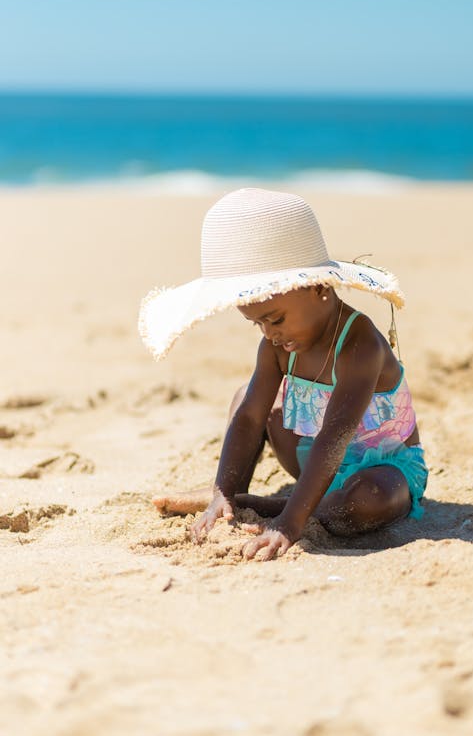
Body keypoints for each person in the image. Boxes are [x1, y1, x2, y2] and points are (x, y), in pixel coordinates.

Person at [140, 188, 428, 561]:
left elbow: (334, 438)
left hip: (381, 467)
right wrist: (223, 493)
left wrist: (291, 522)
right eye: (256, 323)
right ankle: (229, 497)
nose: (269, 333)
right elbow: (250, 419)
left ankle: (270, 505)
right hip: (310, 458)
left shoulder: (359, 345)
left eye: (275, 319)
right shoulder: (276, 346)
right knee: (247, 396)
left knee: (362, 505)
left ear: (319, 288)